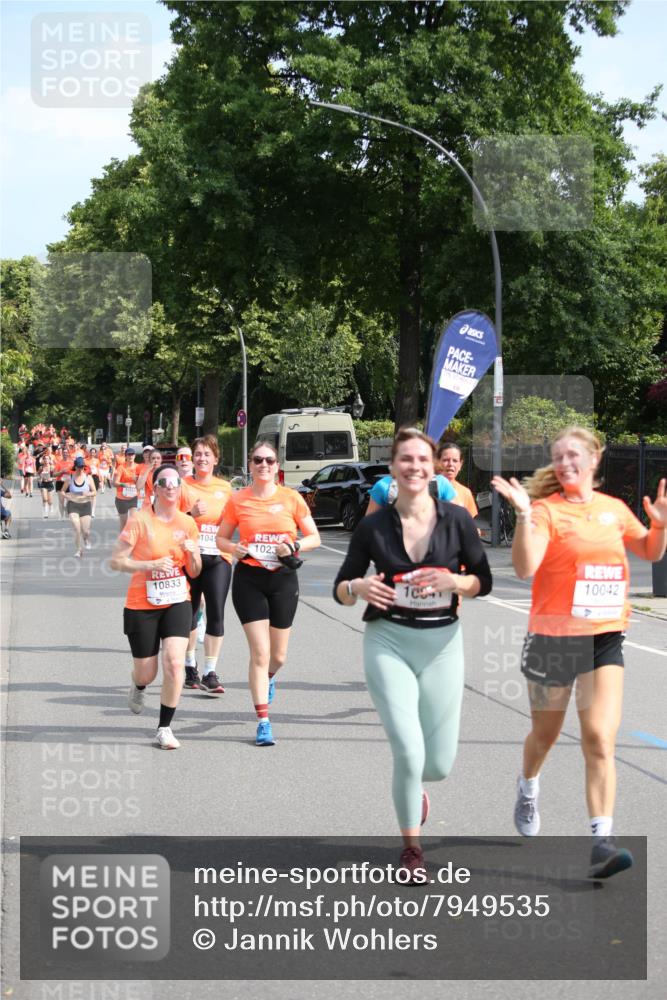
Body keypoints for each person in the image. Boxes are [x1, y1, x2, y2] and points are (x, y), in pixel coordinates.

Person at [491, 426, 667, 878]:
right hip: (552, 639)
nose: (566, 463)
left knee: (599, 738)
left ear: (594, 459)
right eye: (558, 457)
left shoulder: (613, 510)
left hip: (604, 636)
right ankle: (528, 784)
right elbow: (526, 567)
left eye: (574, 455)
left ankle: (602, 840)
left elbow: (648, 550)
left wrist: (661, 524)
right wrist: (527, 516)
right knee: (546, 736)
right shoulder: (547, 511)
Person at [334, 427, 492, 879]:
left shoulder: (456, 520)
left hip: (442, 644)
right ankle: (412, 851)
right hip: (388, 641)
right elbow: (341, 588)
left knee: (436, 765)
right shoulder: (372, 526)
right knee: (408, 749)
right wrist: (358, 587)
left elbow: (484, 579)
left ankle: (418, 789)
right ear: (393, 468)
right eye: (406, 459)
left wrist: (457, 582)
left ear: (434, 465)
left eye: (423, 459)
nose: (415, 467)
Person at [216, 440, 321, 746]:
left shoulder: (291, 499)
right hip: (249, 578)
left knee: (278, 656)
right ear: (250, 465)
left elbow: (314, 536)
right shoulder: (238, 500)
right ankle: (263, 720)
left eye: (269, 461)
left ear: (278, 467)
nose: (263, 465)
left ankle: (271, 676)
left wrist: (295, 545)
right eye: (258, 460)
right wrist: (233, 548)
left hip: (283, 579)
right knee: (259, 653)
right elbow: (222, 539)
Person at [110, 465, 202, 749]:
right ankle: (138, 686)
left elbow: (195, 572)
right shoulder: (139, 520)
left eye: (176, 481)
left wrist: (193, 553)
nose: (171, 486)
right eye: (164, 482)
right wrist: (148, 565)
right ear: (156, 488)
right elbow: (116, 561)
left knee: (174, 663)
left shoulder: (188, 524)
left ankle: (164, 727)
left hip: (177, 600)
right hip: (141, 603)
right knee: (147, 673)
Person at [179, 436, 232, 694]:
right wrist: (190, 514)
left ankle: (210, 672)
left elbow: (235, 522)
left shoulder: (226, 488)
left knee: (217, 612)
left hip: (218, 557)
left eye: (206, 454)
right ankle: (190, 665)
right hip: (190, 557)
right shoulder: (182, 486)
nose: (201, 458)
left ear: (215, 459)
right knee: (190, 613)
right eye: (197, 454)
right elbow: (168, 521)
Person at [365, 436, 456, 515]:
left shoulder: (442, 485)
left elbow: (455, 525)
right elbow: (369, 530)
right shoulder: (383, 486)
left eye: (422, 459)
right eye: (407, 459)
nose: (415, 465)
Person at [61, 456, 96, 557]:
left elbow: (94, 492)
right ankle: (79, 550)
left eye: (82, 467)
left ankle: (86, 539)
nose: (81, 469)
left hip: (85, 505)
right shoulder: (70, 478)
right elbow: (62, 491)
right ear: (75, 467)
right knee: (77, 529)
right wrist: (66, 496)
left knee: (85, 531)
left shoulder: (88, 478)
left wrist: (88, 494)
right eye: (79, 467)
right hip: (73, 505)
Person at [437, 442, 478, 517]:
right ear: (438, 462)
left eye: (455, 461)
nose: (450, 464)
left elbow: (469, 524)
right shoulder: (426, 487)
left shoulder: (465, 493)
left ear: (460, 465)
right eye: (446, 460)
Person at [112, 447, 139, 529]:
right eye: (129, 455)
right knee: (124, 523)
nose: (130, 456)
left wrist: (138, 480)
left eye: (132, 454)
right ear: (125, 456)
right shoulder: (121, 468)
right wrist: (124, 485)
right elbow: (115, 483)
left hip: (134, 497)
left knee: (133, 520)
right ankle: (122, 540)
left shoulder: (138, 467)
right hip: (121, 499)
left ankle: (132, 540)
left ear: (135, 456)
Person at [37, 448, 56, 518]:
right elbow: (38, 474)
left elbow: (55, 475)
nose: (46, 460)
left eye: (48, 459)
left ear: (49, 460)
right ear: (43, 460)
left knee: (50, 500)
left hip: (50, 483)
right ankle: (45, 512)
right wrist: (40, 478)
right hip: (43, 484)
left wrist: (52, 477)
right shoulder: (41, 468)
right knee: (45, 499)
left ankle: (51, 506)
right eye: (45, 459)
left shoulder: (52, 467)